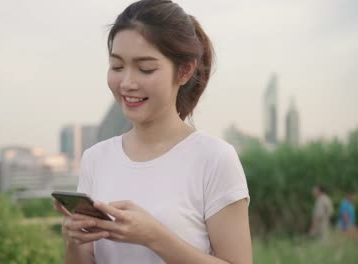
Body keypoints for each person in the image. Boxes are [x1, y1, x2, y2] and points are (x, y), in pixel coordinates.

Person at [54, 0, 252, 263]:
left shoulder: (214, 159)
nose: (127, 83)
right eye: (117, 67)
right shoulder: (96, 159)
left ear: (184, 71)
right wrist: (73, 240)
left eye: (145, 68)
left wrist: (153, 236)